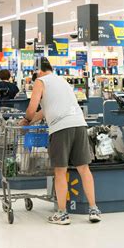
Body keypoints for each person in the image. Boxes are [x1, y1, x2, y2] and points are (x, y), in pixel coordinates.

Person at [22, 57, 101, 225]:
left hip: (61, 128)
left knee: (60, 171)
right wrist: (31, 120)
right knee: (84, 169)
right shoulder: (62, 81)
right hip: (79, 124)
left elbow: (32, 108)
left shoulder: (40, 81)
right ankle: (94, 209)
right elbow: (43, 111)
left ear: (38, 70)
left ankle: (62, 213)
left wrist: (26, 120)